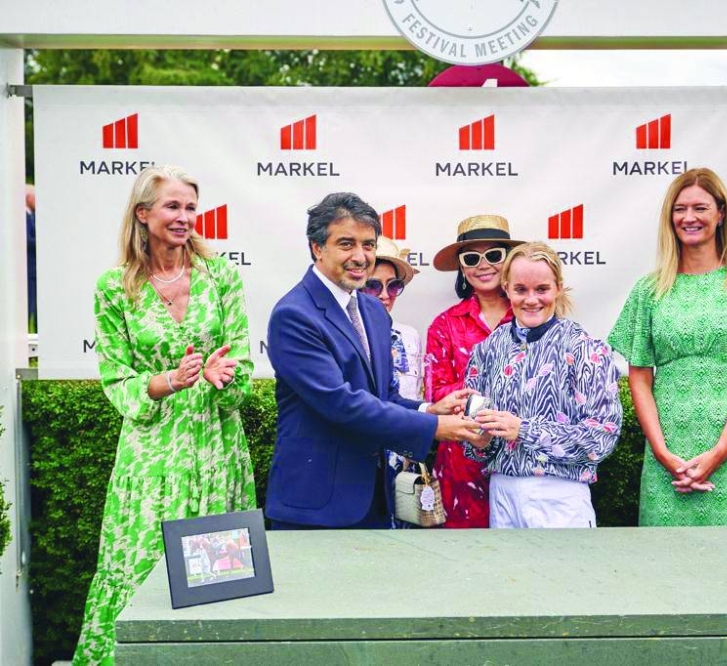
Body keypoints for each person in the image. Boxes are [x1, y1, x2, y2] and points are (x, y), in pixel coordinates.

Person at [74, 165, 256, 665]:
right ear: (143, 213)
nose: (184, 217)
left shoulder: (221, 276)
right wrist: (167, 381)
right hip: (152, 457)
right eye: (173, 206)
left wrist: (225, 377)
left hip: (217, 450)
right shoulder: (115, 287)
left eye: (191, 207)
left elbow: (240, 358)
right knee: (140, 569)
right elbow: (116, 379)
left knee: (218, 577)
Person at [264, 192, 480, 530]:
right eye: (346, 244)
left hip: (374, 500)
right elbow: (341, 403)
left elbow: (384, 397)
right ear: (317, 247)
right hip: (315, 506)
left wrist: (427, 410)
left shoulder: (373, 312)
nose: (360, 256)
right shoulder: (294, 315)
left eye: (368, 244)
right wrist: (436, 429)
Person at [609, 167, 727, 530]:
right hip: (669, 457)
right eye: (680, 209)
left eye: (700, 208)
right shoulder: (648, 291)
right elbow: (639, 379)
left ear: (721, 213)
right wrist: (663, 453)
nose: (689, 217)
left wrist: (721, 451)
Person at [463, 242, 622, 528]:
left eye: (542, 289)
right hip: (502, 493)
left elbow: (602, 437)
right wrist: (479, 440)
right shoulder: (487, 350)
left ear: (558, 288)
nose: (531, 299)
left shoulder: (585, 349)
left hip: (560, 496)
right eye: (521, 289)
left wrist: (523, 430)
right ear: (507, 287)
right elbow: (475, 443)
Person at [426, 214, 524, 528]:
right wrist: (488, 400)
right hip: (461, 462)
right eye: (472, 257)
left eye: (494, 255)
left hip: (521, 457)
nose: (484, 265)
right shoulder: (445, 324)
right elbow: (435, 393)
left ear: (508, 260)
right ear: (462, 267)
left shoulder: (532, 315)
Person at [359, 236, 423, 527]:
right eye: (374, 285)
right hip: (362, 466)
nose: (385, 295)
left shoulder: (410, 335)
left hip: (404, 465)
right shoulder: (346, 334)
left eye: (393, 285)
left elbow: (410, 395)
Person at [26, 184, 36, 332]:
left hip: (32, 269)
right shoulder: (24, 217)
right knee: (29, 307)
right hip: (29, 269)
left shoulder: (31, 216)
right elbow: (27, 240)